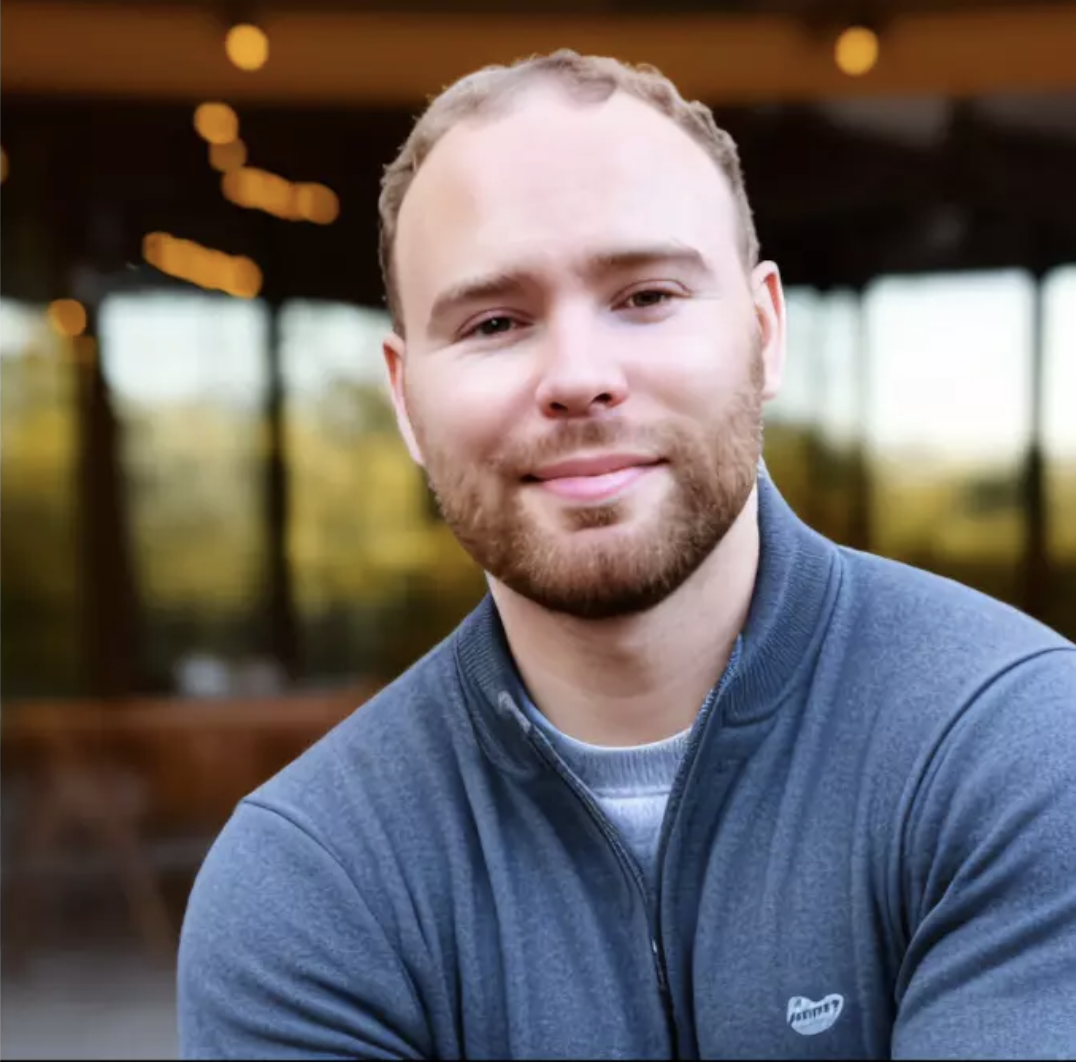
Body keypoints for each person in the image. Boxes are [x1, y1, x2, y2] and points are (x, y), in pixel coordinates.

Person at [178, 50, 1076, 1059]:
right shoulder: (313, 880)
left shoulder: (1016, 746)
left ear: (763, 331)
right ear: (405, 399)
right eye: (493, 321)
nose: (577, 376)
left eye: (646, 295)